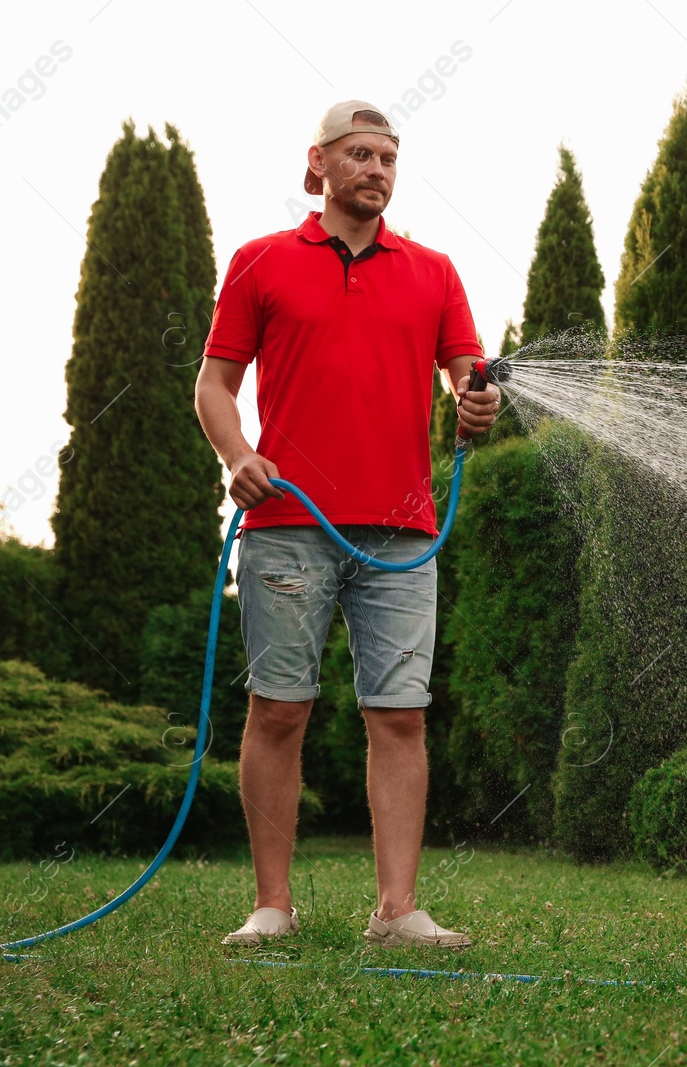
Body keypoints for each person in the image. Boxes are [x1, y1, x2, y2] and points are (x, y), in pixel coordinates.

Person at [194, 100, 499, 949]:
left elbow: (464, 376)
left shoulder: (433, 271)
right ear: (319, 163)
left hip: (402, 532)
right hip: (288, 521)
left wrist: (479, 402)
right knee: (279, 709)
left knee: (399, 715)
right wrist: (238, 454)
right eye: (360, 154)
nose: (377, 169)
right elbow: (213, 385)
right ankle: (272, 906)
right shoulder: (260, 263)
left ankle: (397, 911)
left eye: (389, 158)